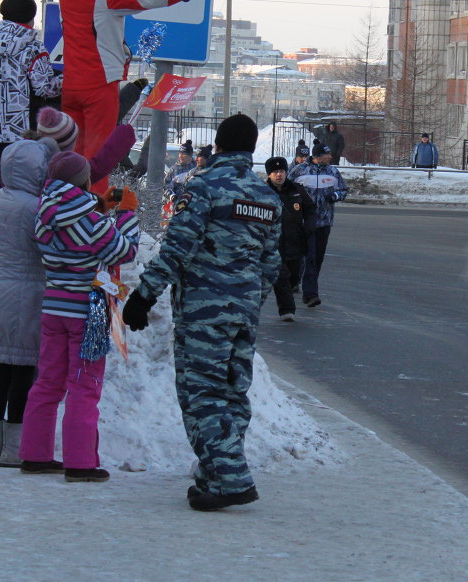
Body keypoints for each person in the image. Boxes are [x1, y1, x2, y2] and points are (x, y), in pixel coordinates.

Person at [122, 114, 282, 511]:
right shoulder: (267, 197)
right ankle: (214, 476)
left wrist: (144, 296)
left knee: (201, 394)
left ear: (220, 145)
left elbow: (178, 247)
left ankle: (231, 479)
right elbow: (272, 263)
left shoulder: (205, 186)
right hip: (243, 313)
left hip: (203, 312)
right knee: (231, 393)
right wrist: (249, 303)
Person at [59, 0, 212, 193]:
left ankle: (65, 202)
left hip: (71, 84)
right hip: (99, 84)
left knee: (73, 153)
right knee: (98, 158)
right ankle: (92, 212)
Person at [20, 152, 139, 482]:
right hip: (90, 309)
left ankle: (35, 454)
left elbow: (79, 223)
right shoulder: (91, 221)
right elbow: (124, 250)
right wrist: (127, 214)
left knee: (48, 382)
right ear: (84, 182)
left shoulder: (45, 212)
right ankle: (80, 461)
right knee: (84, 386)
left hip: (54, 306)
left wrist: (101, 205)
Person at [0, 137, 57, 468]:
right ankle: (14, 448)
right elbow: (48, 250)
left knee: (1, 368)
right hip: (28, 294)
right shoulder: (36, 207)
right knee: (24, 369)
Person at [0, 0, 62, 190]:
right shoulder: (33, 48)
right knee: (27, 183)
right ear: (31, 18)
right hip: (28, 130)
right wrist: (67, 79)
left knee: (2, 178)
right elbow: (44, 88)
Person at [288, 143, 347, 307]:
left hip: (324, 222)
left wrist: (335, 195)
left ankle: (302, 284)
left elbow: (343, 189)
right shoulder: (301, 170)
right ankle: (310, 293)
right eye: (327, 155)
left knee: (317, 259)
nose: (330, 157)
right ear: (318, 156)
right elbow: (287, 188)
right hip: (305, 222)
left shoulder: (333, 172)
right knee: (310, 257)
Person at [264, 155, 315, 321]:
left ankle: (293, 287)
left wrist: (309, 226)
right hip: (274, 243)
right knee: (281, 276)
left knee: (293, 276)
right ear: (269, 175)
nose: (279, 175)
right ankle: (287, 310)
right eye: (275, 172)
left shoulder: (297, 190)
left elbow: (310, 209)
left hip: (295, 241)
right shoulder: (263, 193)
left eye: (282, 171)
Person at [164, 140, 195, 212]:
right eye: (180, 153)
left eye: (184, 154)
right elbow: (166, 186)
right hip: (178, 206)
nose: (181, 156)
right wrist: (172, 196)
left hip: (193, 206)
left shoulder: (196, 168)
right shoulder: (174, 169)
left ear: (189, 156)